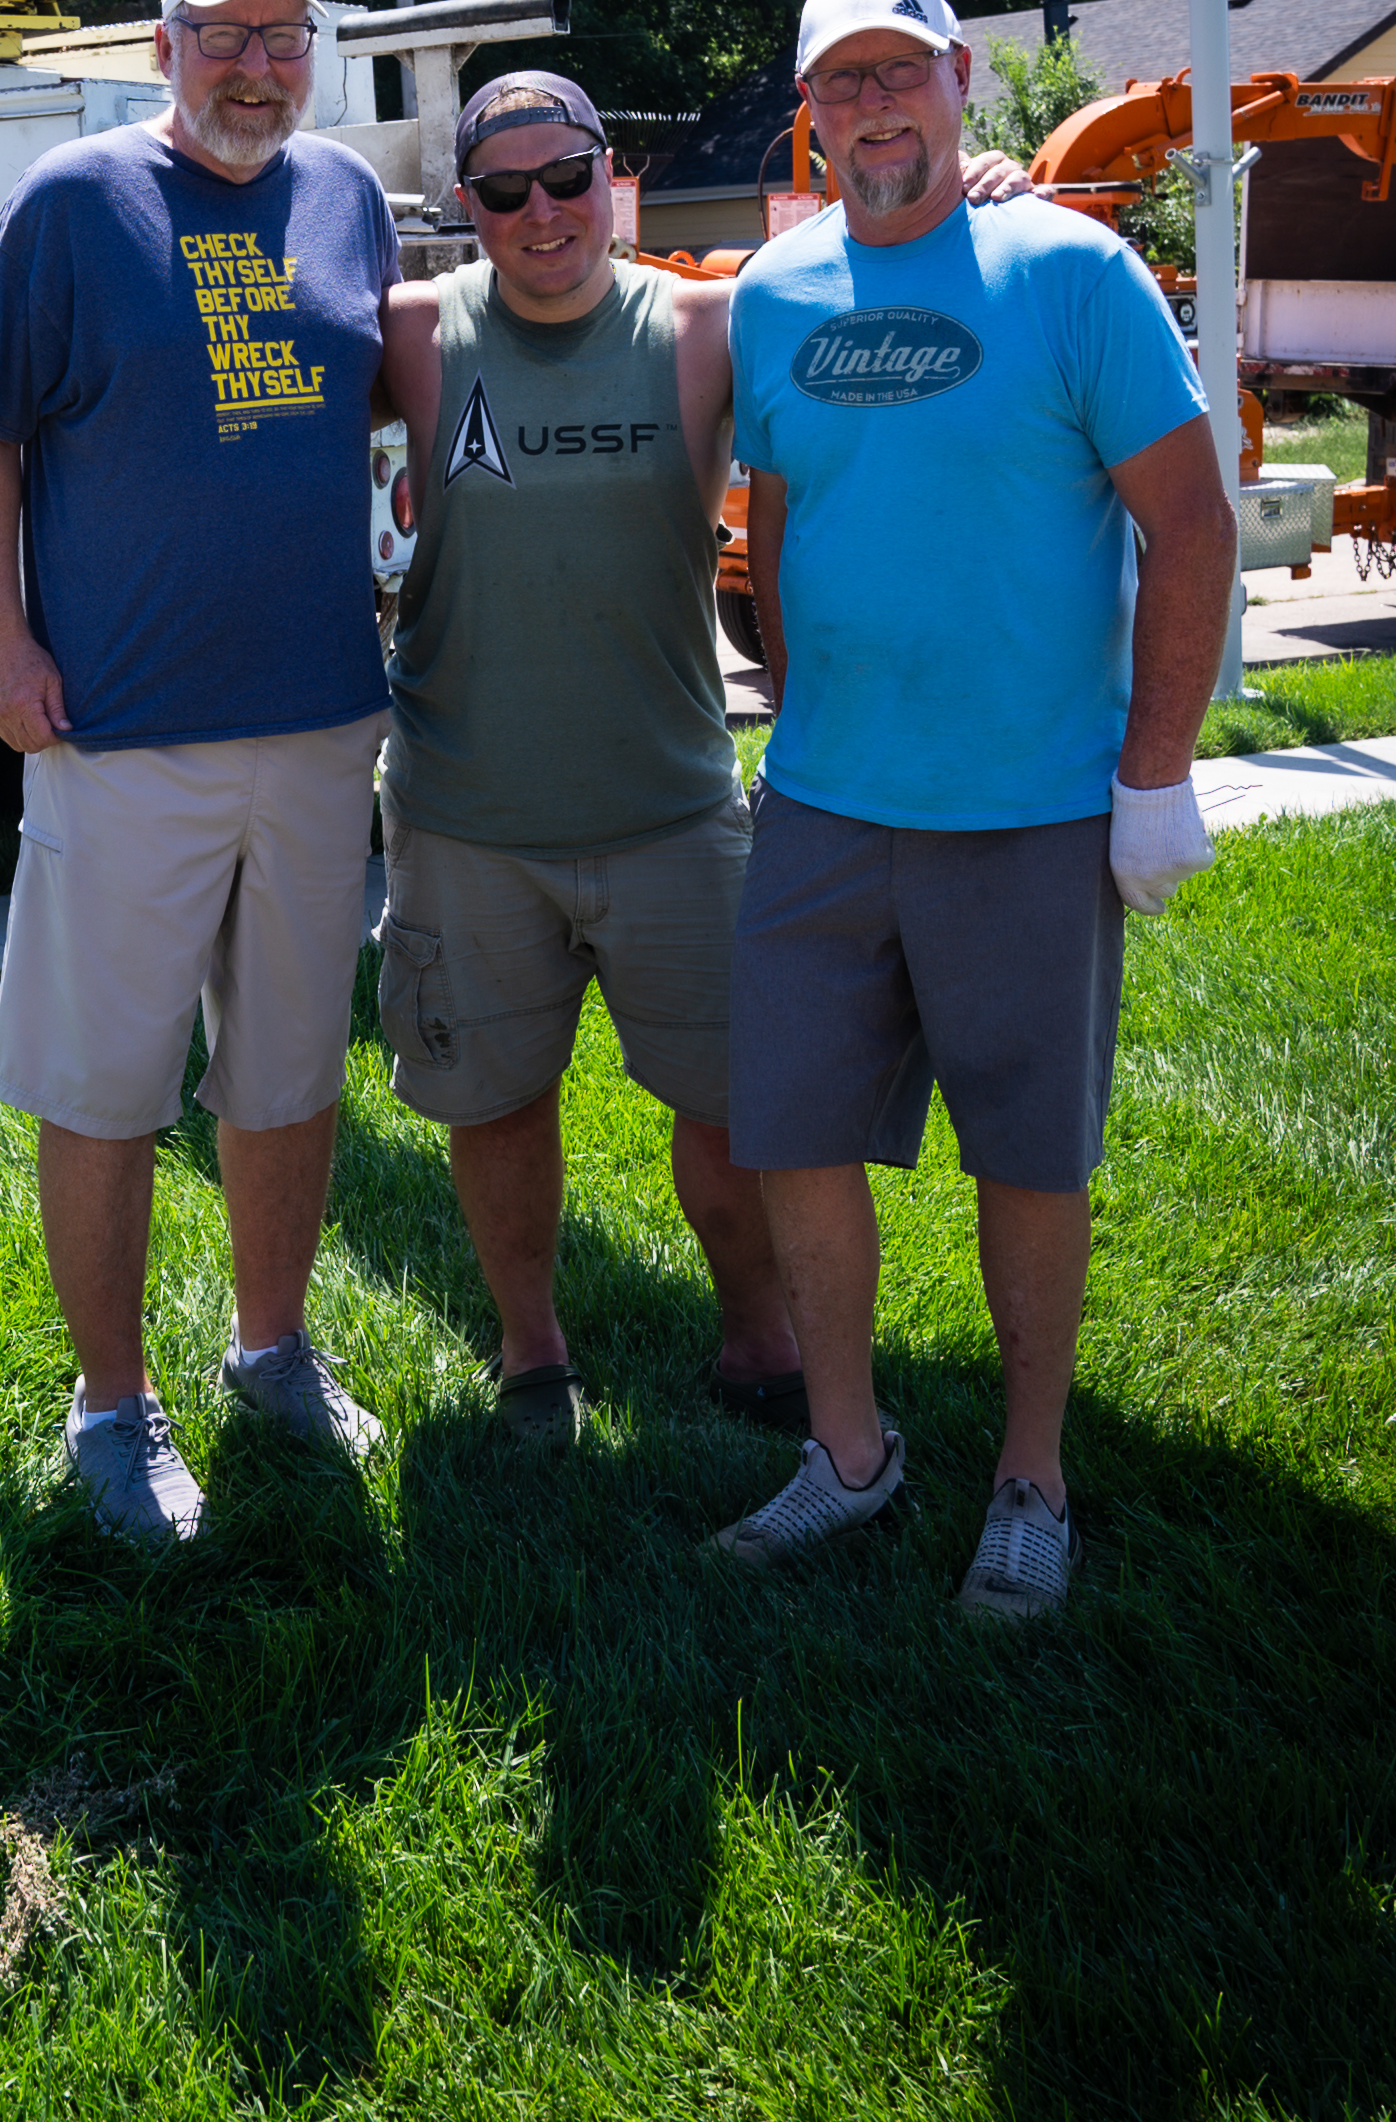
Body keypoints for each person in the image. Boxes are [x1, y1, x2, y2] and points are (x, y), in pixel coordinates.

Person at [373, 70, 1034, 1448]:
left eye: (568, 179)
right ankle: (532, 1349)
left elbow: (888, 300)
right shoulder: (415, 334)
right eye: (505, 191)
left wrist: (974, 202)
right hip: (465, 811)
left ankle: (757, 1334)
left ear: (613, 175)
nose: (542, 212)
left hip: (672, 808)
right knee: (496, 1108)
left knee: (742, 1113)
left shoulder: (712, 325)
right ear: (468, 205)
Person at [717, 0, 1237, 1618]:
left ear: (957, 84)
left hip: (1029, 812)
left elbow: (1195, 526)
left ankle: (1032, 1479)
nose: (875, 108)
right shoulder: (778, 294)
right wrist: (799, 710)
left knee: (1030, 1157)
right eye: (843, 84)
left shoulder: (1072, 269)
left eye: (902, 74)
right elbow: (782, 513)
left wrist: (1152, 778)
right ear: (814, 112)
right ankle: (851, 1456)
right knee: (793, 1128)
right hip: (823, 808)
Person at [0, 0, 404, 1544]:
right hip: (122, 727)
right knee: (110, 1082)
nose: (256, 66)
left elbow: (403, 392)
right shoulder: (74, 205)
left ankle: (271, 1349)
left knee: (286, 1070)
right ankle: (112, 1408)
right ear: (163, 49)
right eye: (223, 34)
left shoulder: (349, 197)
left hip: (318, 718)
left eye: (285, 36)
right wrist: (5, 648)